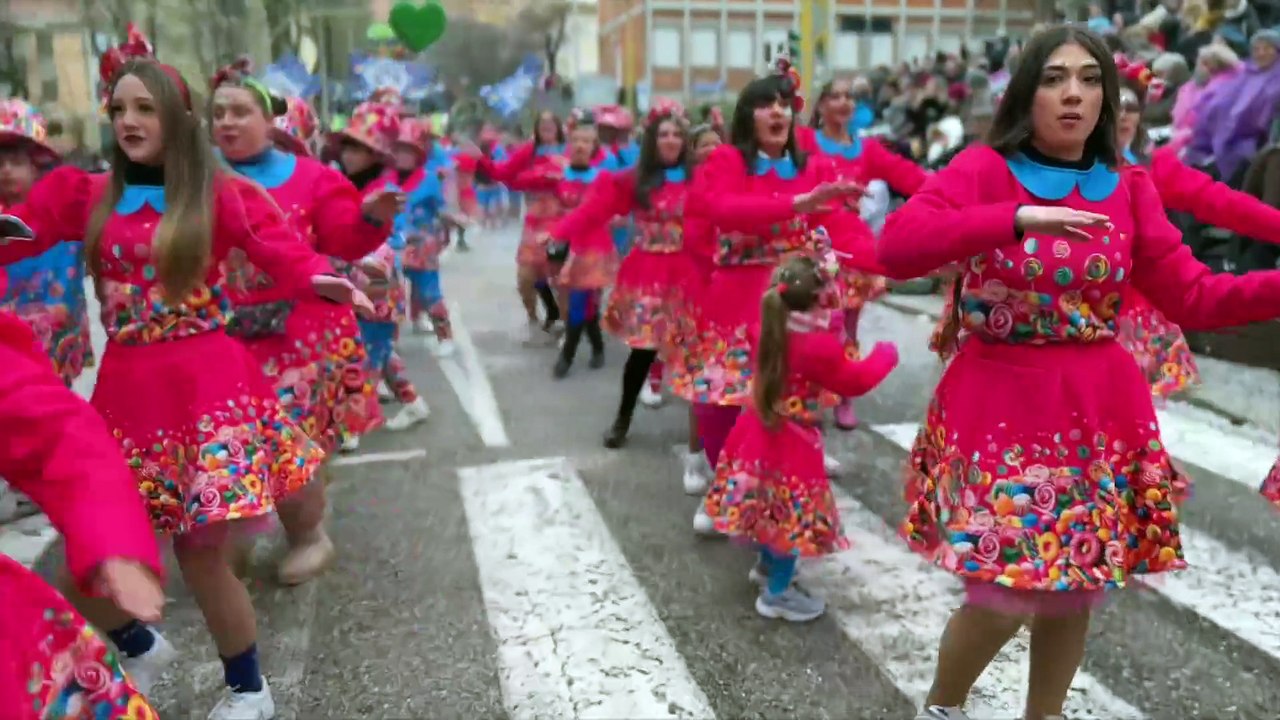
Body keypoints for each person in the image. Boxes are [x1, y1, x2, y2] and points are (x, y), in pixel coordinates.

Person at [875, 25, 1280, 720]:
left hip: (1093, 409)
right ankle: (942, 707)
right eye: (1056, 79)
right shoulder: (981, 169)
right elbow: (898, 247)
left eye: (1091, 81)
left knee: (1072, 583)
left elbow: (1195, 296)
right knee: (1003, 597)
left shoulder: (1128, 186)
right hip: (998, 402)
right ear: (1027, 93)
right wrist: (1016, 218)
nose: (1074, 95)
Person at [704, 254, 897, 621]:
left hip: (758, 429)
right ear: (815, 301)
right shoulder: (816, 348)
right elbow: (852, 380)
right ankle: (777, 594)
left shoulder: (770, 325)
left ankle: (766, 568)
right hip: (792, 441)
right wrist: (884, 357)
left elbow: (825, 332)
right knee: (791, 518)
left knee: (767, 508)